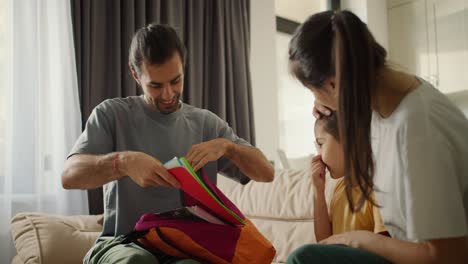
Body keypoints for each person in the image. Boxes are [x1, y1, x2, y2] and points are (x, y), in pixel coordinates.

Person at [62, 23, 274, 264]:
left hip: (184, 247)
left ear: (183, 68)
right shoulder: (111, 114)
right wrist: (123, 163)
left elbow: (266, 173)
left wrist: (228, 146)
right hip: (123, 243)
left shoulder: (206, 123)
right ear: (135, 74)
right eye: (155, 85)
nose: (168, 93)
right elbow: (69, 176)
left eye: (176, 81)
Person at [286, 10, 468, 263]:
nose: (317, 103)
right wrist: (333, 104)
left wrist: (361, 239)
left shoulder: (418, 130)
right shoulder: (390, 105)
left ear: (334, 85)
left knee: (305, 258)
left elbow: (449, 256)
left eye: (315, 91)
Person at [311, 113, 388, 243]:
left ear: (347, 141)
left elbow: (385, 245)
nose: (318, 155)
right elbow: (324, 242)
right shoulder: (341, 187)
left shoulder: (378, 187)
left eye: (321, 144)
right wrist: (318, 191)